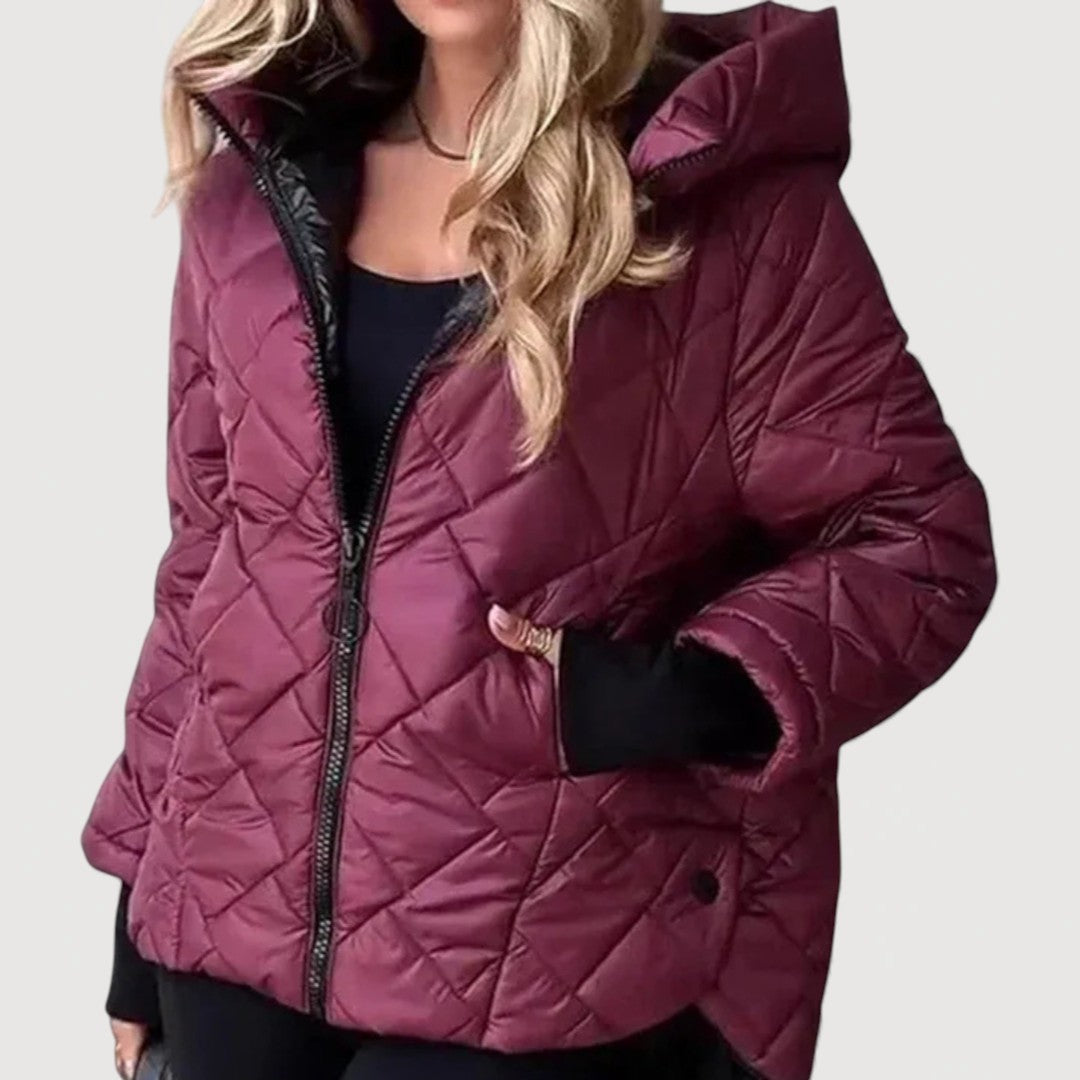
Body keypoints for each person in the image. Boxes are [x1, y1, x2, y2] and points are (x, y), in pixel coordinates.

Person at [81, 1, 998, 1078]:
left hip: (546, 936)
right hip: (228, 913)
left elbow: (920, 536)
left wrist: (678, 693)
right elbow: (210, 559)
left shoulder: (714, 203)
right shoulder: (258, 184)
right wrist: (139, 890)